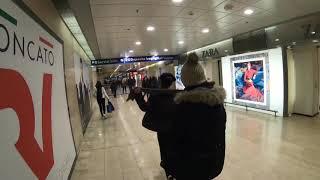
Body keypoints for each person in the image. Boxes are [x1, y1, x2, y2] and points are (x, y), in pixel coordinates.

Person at [166, 52, 226, 180]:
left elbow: (177, 141)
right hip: (214, 161)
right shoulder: (217, 102)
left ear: (185, 80)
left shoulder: (183, 108)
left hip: (191, 166)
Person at [133, 73, 176, 178]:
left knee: (165, 149)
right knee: (176, 149)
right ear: (172, 83)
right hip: (176, 129)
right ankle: (175, 169)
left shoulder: (156, 97)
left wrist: (138, 96)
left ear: (160, 82)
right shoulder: (178, 95)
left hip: (162, 129)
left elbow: (144, 107)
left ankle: (169, 172)